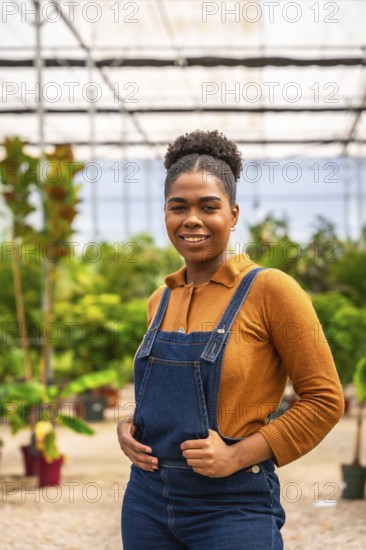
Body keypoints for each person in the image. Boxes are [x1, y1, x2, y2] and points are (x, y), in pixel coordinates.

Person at [117, 130, 344, 550]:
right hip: (146, 501)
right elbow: (160, 396)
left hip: (231, 506)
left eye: (209, 206)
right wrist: (128, 428)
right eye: (178, 207)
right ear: (165, 213)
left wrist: (236, 457)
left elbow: (325, 399)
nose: (192, 219)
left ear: (234, 214)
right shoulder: (160, 299)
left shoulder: (271, 291)